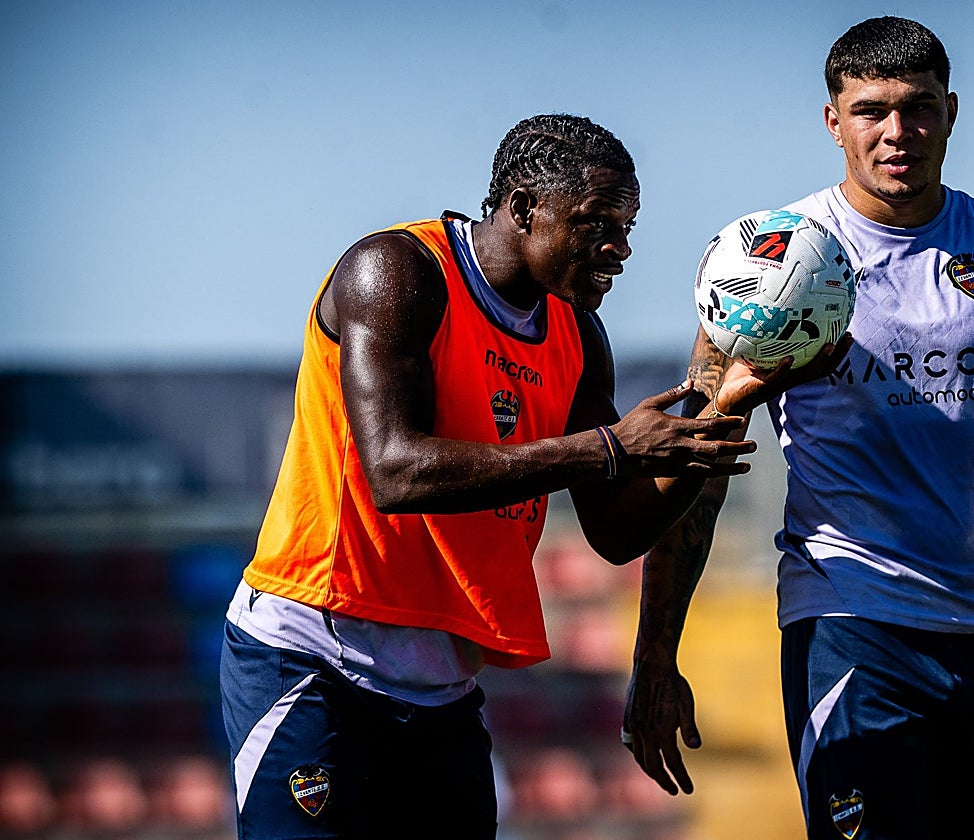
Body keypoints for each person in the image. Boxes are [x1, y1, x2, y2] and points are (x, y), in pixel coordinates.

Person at [621, 17, 974, 840]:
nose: (898, 132)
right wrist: (654, 657)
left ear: (952, 112)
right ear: (833, 122)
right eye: (871, 111)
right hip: (850, 626)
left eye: (920, 108)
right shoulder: (765, 268)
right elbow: (702, 471)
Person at [217, 113, 839, 840]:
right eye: (599, 221)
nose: (622, 247)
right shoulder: (396, 271)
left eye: (630, 225)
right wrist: (607, 447)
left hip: (440, 688)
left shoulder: (577, 333)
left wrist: (731, 403)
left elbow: (614, 532)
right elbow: (395, 471)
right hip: (309, 655)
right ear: (523, 210)